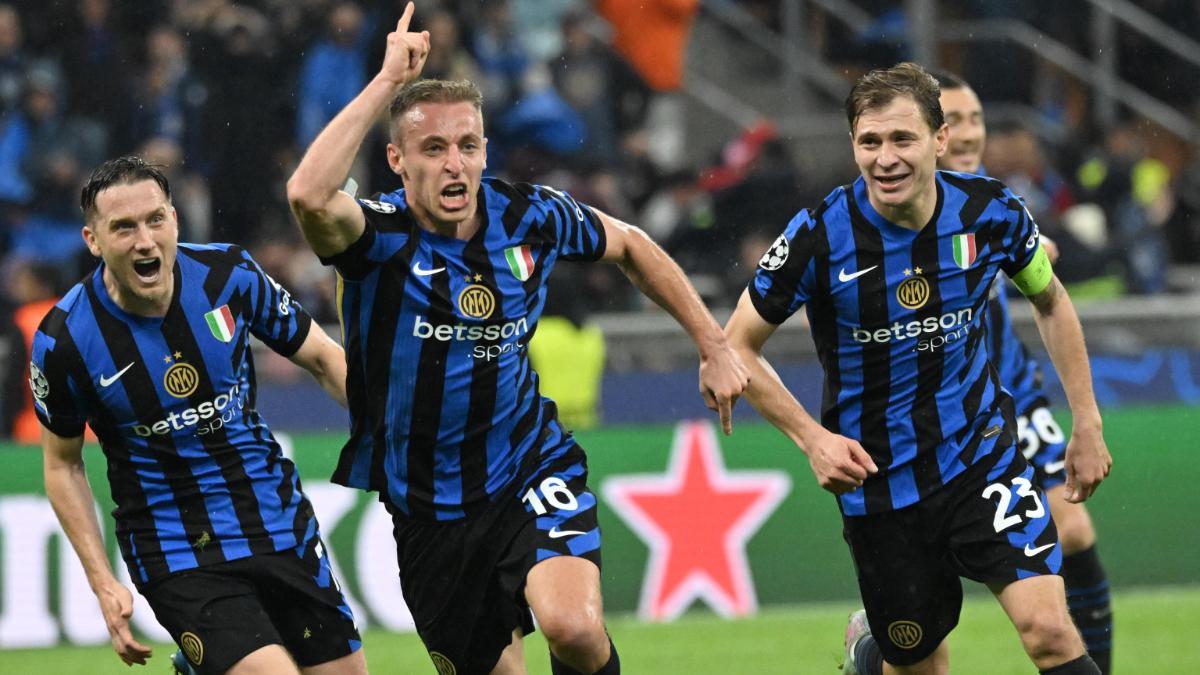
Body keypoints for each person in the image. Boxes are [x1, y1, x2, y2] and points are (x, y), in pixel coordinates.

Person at [286, 5, 748, 674]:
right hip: (428, 507)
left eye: (467, 145)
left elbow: (630, 243)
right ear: (397, 160)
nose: (455, 164)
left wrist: (712, 341)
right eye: (433, 148)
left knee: (575, 627)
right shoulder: (376, 239)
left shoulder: (528, 215)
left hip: (528, 466)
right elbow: (306, 193)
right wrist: (387, 81)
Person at [723, 62, 1111, 675]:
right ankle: (869, 652)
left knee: (1048, 630)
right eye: (869, 142)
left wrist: (1085, 422)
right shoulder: (819, 236)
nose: (885, 158)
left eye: (902, 139)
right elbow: (736, 345)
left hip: (979, 454)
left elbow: (1051, 299)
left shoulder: (992, 214)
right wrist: (813, 440)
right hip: (879, 482)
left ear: (939, 139)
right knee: (918, 663)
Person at [31, 156, 366, 675]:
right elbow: (62, 464)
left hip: (274, 517)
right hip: (173, 545)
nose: (145, 241)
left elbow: (323, 358)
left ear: (175, 220)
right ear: (92, 240)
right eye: (123, 227)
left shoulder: (228, 274)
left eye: (155, 219)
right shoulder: (64, 339)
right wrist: (103, 582)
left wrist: (394, 438)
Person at [935, 69, 1114, 674]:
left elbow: (1044, 280)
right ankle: (874, 648)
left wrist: (1037, 253)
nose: (967, 133)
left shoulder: (995, 200)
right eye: (953, 119)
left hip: (1007, 383)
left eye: (976, 119)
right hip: (934, 408)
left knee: (1076, 530)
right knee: (923, 620)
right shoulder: (897, 206)